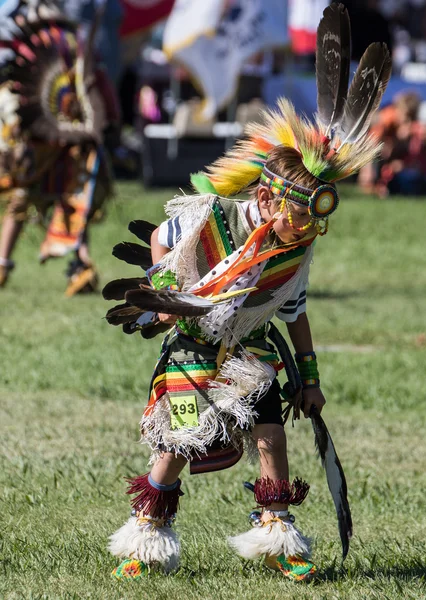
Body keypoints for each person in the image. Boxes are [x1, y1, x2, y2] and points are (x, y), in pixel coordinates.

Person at [104, 3, 390, 583]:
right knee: (179, 438)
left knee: (270, 432)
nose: (307, 231)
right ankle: (146, 537)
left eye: (313, 222)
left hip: (249, 346)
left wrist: (309, 381)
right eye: (297, 217)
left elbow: (295, 313)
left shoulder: (293, 251)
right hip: (189, 336)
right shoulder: (209, 218)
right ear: (265, 199)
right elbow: (160, 239)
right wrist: (163, 296)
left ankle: (278, 533)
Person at [0, 1, 116, 294]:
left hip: (66, 135)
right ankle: (5, 263)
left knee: (74, 196)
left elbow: (90, 81)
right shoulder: (35, 43)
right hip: (38, 135)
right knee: (32, 195)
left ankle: (80, 266)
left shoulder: (69, 44)